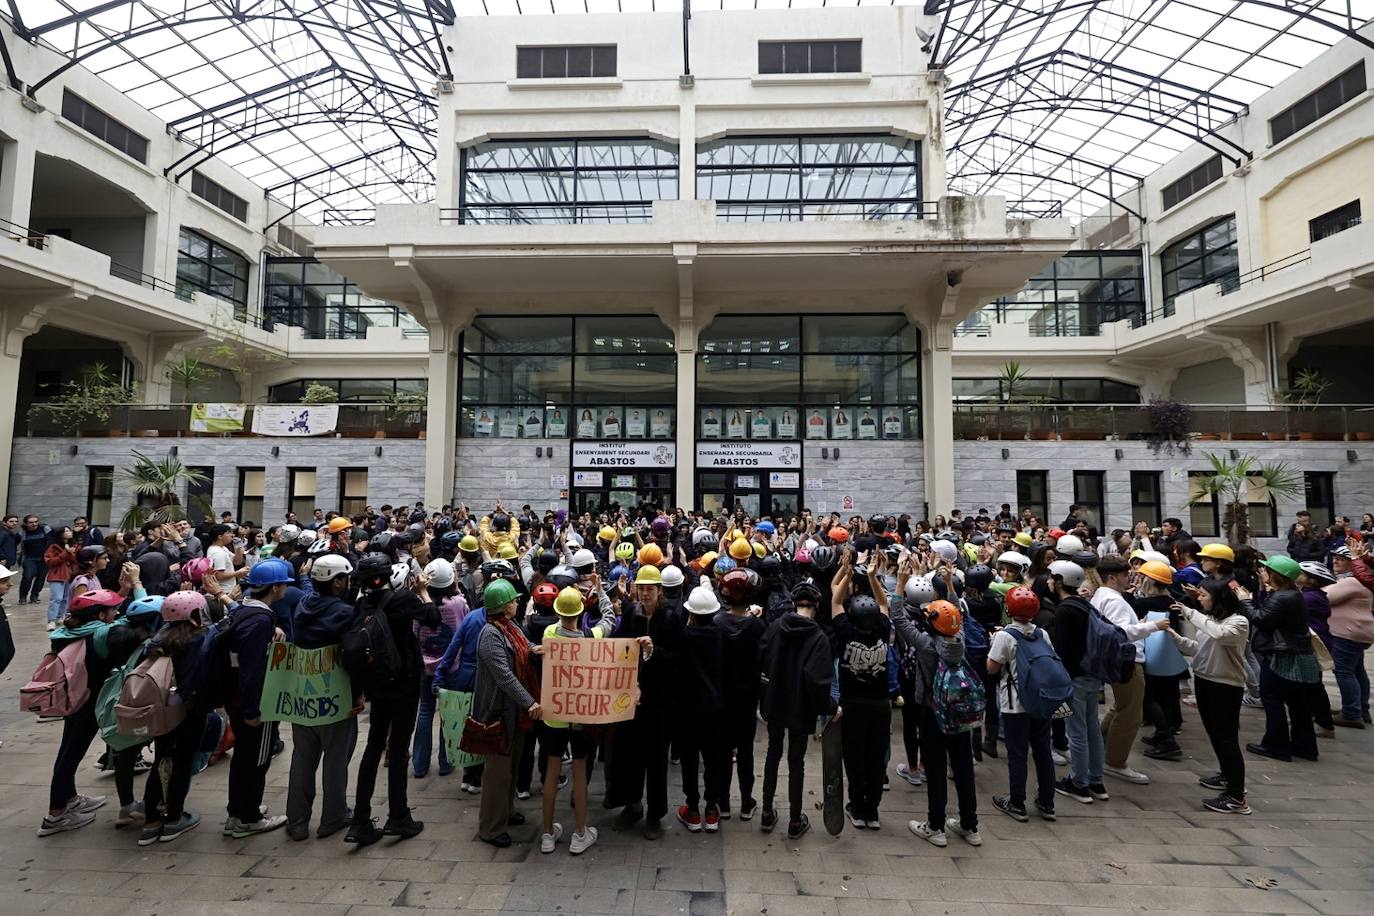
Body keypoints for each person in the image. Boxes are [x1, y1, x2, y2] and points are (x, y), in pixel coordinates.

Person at [536, 584, 637, 856]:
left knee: (551, 774)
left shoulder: (548, 635)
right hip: (580, 718)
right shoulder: (590, 639)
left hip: (554, 717)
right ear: (580, 612)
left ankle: (547, 834)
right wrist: (602, 591)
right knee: (580, 773)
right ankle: (580, 833)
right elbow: (609, 620)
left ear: (558, 611)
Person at [345, 554, 439, 845]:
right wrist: (422, 589)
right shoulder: (402, 600)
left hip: (377, 685)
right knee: (398, 749)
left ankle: (361, 820)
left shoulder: (362, 604)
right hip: (405, 682)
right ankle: (398, 816)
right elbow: (433, 618)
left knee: (373, 747)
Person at [37, 588, 142, 836]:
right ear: (102, 615)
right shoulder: (101, 635)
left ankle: (70, 798)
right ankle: (56, 815)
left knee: (66, 751)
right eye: (113, 610)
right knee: (71, 755)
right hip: (89, 703)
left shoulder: (67, 632)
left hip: (73, 697)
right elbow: (129, 625)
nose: (117, 613)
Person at [286, 554, 359, 841]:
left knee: (302, 759)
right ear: (338, 581)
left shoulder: (303, 606)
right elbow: (352, 652)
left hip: (303, 696)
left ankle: (297, 820)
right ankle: (334, 816)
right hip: (334, 695)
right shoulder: (343, 613)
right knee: (335, 759)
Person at [900, 591, 981, 849]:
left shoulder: (926, 643)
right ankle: (970, 825)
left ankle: (935, 826)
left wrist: (901, 585)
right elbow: (958, 616)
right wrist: (950, 586)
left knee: (935, 770)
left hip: (933, 712)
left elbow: (898, 619)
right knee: (963, 767)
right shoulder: (960, 639)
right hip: (960, 712)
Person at [1163, 579, 1252, 815]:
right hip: (1204, 681)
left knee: (1227, 738)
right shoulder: (1211, 620)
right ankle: (1227, 775)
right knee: (1215, 733)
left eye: (1203, 595)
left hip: (1225, 686)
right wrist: (1173, 635)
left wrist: (1190, 612)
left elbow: (1220, 635)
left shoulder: (1238, 622)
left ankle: (1237, 796)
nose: (1200, 599)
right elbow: (1198, 648)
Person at [757, 579, 834, 838]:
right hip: (800, 709)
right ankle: (794, 820)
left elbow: (762, 660)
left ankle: (766, 813)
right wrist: (831, 708)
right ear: (817, 606)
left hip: (775, 703)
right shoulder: (819, 638)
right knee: (796, 763)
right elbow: (818, 683)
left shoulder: (776, 627)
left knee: (772, 754)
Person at [221, 558, 292, 838]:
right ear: (275, 588)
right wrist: (253, 710)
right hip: (255, 704)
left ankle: (236, 813)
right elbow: (251, 668)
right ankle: (249, 816)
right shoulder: (261, 619)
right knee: (258, 759)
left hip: (235, 698)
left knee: (243, 757)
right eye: (284, 584)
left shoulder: (243, 610)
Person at [137, 591, 214, 845]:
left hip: (159, 708)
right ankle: (174, 818)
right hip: (189, 709)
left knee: (161, 759)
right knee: (182, 762)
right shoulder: (200, 638)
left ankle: (150, 821)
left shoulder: (157, 640)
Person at [472, 577, 541, 848]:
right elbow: (505, 677)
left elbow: (526, 648)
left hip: (514, 714)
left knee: (511, 767)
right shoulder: (490, 635)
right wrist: (530, 703)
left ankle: (506, 811)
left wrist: (538, 650)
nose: (517, 603)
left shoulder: (511, 627)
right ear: (503, 605)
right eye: (513, 600)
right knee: (498, 773)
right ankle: (490, 827)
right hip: (498, 713)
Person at [830, 552, 892, 830]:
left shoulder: (845, 631)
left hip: (852, 703)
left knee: (854, 757)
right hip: (880, 703)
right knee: (876, 757)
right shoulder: (881, 629)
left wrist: (847, 571)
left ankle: (856, 805)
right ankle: (873, 810)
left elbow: (835, 600)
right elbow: (883, 602)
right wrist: (870, 576)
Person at [988, 585, 1058, 823]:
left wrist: (993, 642)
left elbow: (992, 668)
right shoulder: (1041, 634)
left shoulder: (1005, 636)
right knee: (1043, 752)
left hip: (1015, 704)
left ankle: (1017, 802)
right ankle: (1047, 802)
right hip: (1041, 702)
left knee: (1017, 754)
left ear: (1008, 608)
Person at [1092, 556, 1160, 784]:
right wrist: (1152, 626)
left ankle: (1101, 748)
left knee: (1121, 707)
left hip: (1118, 660)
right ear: (1112, 577)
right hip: (1127, 661)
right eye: (1124, 574)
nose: (1129, 577)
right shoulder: (1114, 600)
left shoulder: (1103, 594)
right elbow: (1119, 632)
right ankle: (1115, 762)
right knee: (1131, 714)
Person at [1048, 562, 1109, 805]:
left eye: (1053, 578)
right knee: (1092, 728)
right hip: (1092, 674)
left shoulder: (1064, 610)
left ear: (1061, 581)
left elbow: (1061, 649)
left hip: (1074, 677)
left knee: (1077, 731)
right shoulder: (1085, 604)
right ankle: (1096, 780)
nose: (1050, 582)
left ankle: (1079, 783)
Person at [1247, 556, 1319, 762]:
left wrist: (1245, 600)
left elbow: (1260, 618)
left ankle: (1276, 746)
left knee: (1272, 699)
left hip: (1282, 655)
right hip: (1298, 654)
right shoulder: (1291, 594)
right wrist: (1263, 589)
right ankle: (1305, 747)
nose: (1263, 573)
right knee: (1298, 704)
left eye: (1266, 571)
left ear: (1275, 575)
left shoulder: (1282, 597)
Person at [715, 568, 766, 821]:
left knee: (724, 752)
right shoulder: (758, 626)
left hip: (723, 699)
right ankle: (747, 802)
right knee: (746, 752)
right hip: (747, 700)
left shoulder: (716, 623)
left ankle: (723, 802)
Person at [675, 584, 727, 833]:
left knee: (689, 760)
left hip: (687, 709)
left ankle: (692, 809)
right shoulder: (720, 635)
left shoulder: (683, 637)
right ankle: (712, 809)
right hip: (715, 709)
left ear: (691, 614)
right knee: (713, 759)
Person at [412, 558, 464, 779]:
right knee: (448, 715)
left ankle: (420, 765)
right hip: (450, 668)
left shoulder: (418, 605)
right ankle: (446, 761)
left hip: (424, 668)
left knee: (424, 712)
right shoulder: (457, 604)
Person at [1325, 546, 1373, 728]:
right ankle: (1361, 709)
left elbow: (1325, 597)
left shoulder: (1351, 582)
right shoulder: (1357, 581)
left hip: (1348, 633)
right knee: (1357, 670)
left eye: (1341, 559)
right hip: (1358, 632)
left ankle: (1351, 713)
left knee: (1344, 671)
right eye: (1335, 558)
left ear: (1352, 563)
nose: (1336, 561)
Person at [42, 526, 79, 629]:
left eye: (69, 530)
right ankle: (51, 620)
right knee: (56, 598)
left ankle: (59, 618)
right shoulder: (53, 547)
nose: (69, 532)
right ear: (60, 533)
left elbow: (75, 561)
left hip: (70, 575)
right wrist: (65, 553)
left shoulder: (74, 545)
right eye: (66, 531)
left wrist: (71, 553)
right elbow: (50, 562)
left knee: (65, 599)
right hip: (57, 575)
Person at [19, 515, 52, 605]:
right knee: (27, 577)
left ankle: (34, 596)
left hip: (44, 559)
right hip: (30, 558)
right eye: (31, 522)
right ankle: (22, 597)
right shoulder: (23, 532)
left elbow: (53, 539)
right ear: (26, 523)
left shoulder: (44, 529)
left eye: (36, 522)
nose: (34, 524)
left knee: (40, 578)